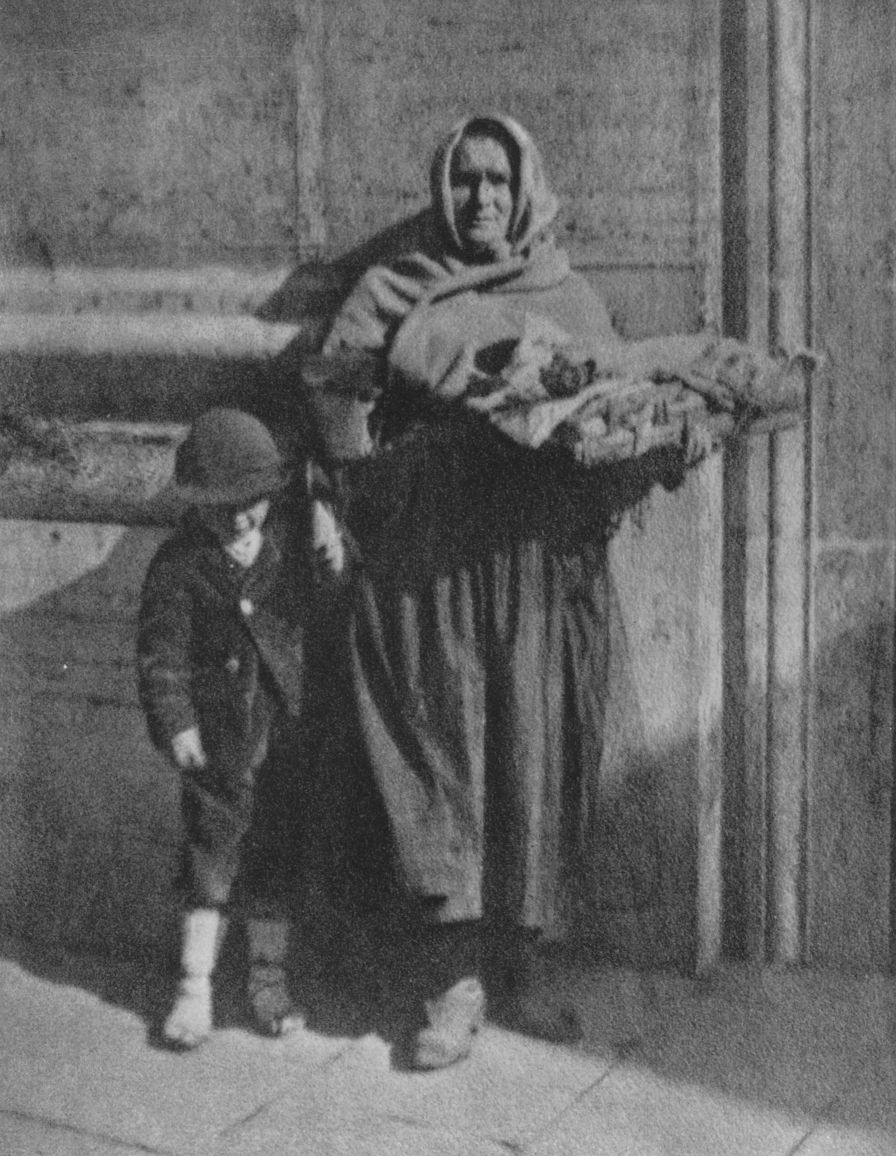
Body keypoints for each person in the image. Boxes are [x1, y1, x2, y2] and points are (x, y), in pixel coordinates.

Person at [317, 114, 689, 1069]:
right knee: (442, 755)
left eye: (498, 182)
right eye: (467, 180)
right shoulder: (395, 288)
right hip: (431, 566)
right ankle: (451, 985)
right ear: (445, 189)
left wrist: (639, 455)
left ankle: (513, 975)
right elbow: (334, 394)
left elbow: (614, 409)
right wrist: (357, 492)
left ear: (524, 190)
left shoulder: (566, 292)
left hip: (534, 564)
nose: (482, 198)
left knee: (532, 755)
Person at [136, 407, 345, 1049]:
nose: (239, 519)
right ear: (196, 502)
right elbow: (161, 656)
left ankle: (267, 981)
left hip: (281, 736)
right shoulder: (178, 566)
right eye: (222, 507)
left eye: (251, 503)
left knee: (274, 861)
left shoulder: (286, 547)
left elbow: (327, 602)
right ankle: (194, 989)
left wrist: (330, 545)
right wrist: (176, 724)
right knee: (209, 861)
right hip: (219, 746)